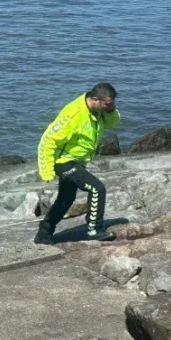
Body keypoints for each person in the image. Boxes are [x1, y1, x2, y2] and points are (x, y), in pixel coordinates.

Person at [35, 83, 120, 244]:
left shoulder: (98, 111)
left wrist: (110, 110)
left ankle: (43, 235)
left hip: (78, 161)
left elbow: (112, 123)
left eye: (112, 103)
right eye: (108, 104)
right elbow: (47, 141)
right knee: (97, 189)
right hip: (64, 162)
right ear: (95, 100)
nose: (111, 106)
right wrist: (46, 171)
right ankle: (94, 230)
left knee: (66, 199)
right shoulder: (73, 115)